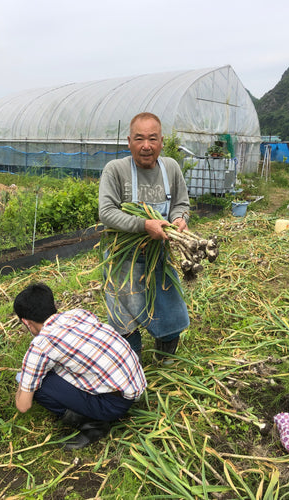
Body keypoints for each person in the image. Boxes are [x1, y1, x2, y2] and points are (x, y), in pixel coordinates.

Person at [98, 112, 190, 362]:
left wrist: (180, 219)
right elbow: (106, 212)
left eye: (152, 139)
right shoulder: (115, 170)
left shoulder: (170, 167)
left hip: (159, 256)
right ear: (129, 142)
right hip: (123, 259)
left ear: (161, 141)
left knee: (169, 308)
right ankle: (131, 363)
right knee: (124, 314)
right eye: (139, 139)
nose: (146, 146)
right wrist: (143, 224)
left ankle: (165, 356)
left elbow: (181, 204)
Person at [13, 283, 147, 450]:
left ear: (26, 322)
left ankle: (93, 425)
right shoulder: (78, 314)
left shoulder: (41, 345)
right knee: (51, 370)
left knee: (39, 386)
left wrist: (24, 378)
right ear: (53, 306)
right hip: (135, 386)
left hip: (114, 405)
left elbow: (23, 405)